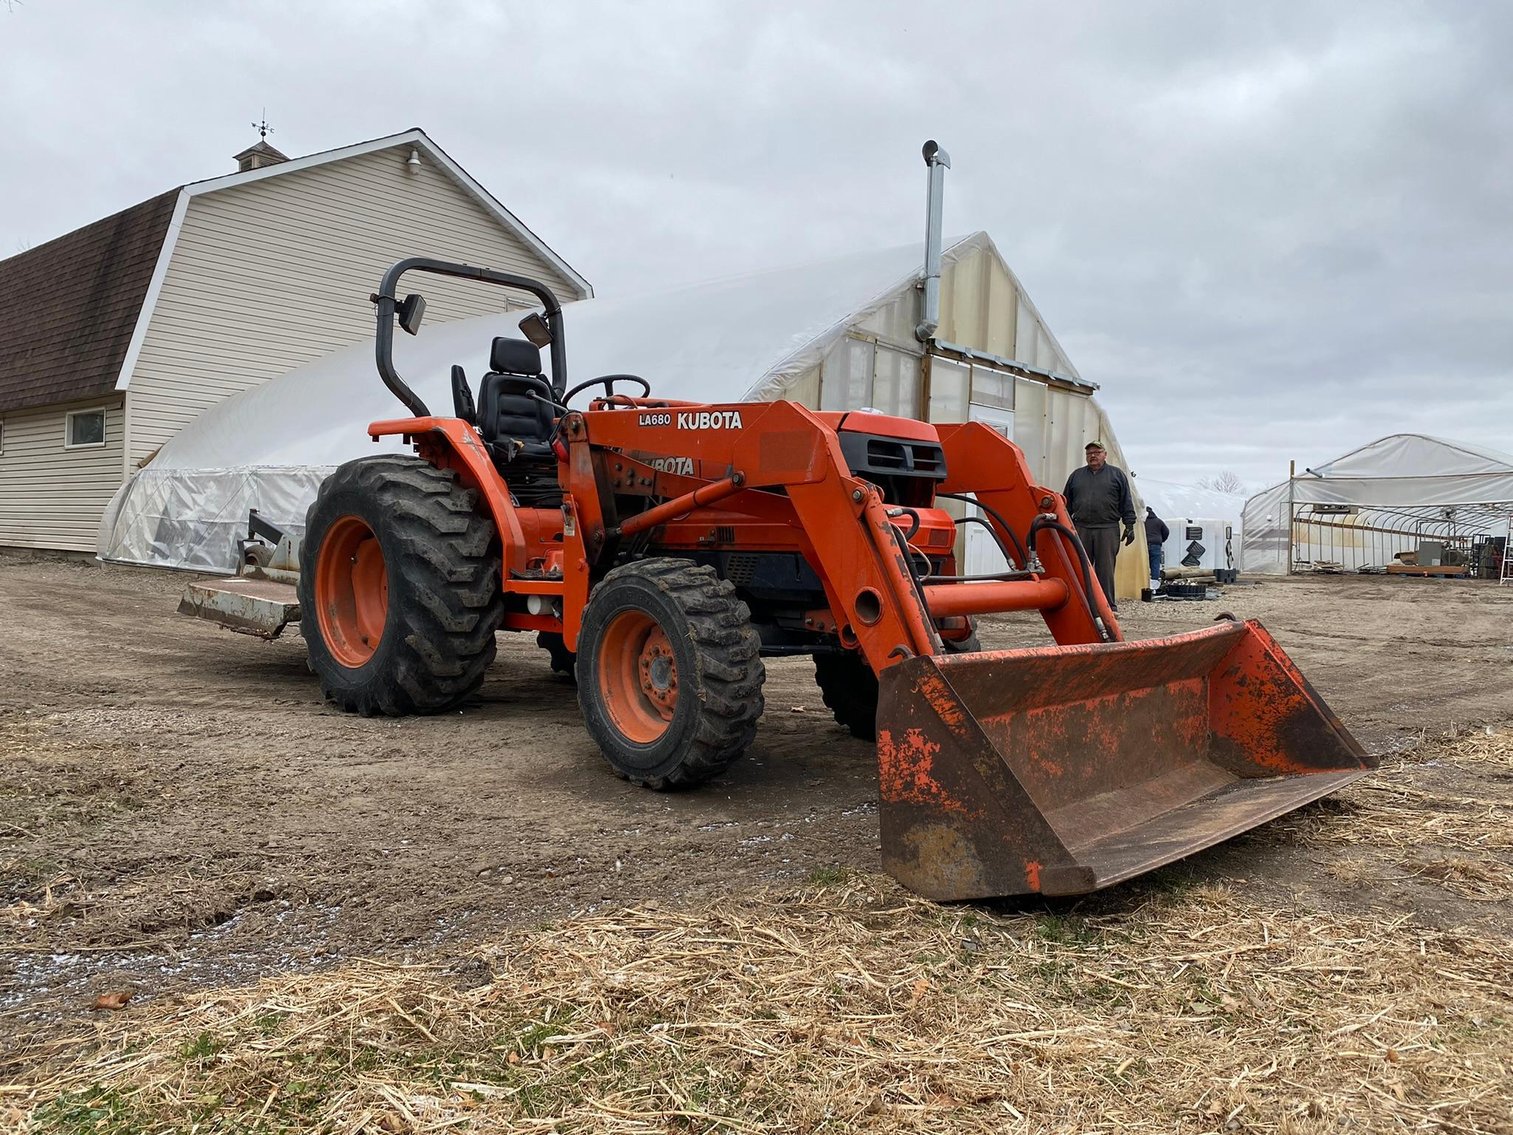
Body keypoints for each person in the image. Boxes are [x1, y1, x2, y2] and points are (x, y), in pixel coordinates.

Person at [1061, 441, 1136, 612]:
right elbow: (1066, 504)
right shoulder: (1076, 476)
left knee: (1105, 569)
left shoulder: (1117, 475)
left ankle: (1108, 606)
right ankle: (1082, 605)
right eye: (1089, 453)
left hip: (1107, 529)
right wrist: (1064, 526)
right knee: (1080, 568)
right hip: (1081, 528)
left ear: (1105, 454)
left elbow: (1126, 502)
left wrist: (1129, 524)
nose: (1092, 456)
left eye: (1097, 452)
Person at [1144, 506, 1170, 586]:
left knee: (1143, 564)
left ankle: (1144, 583)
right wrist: (1161, 540)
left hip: (1144, 545)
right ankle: (1154, 585)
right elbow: (1166, 531)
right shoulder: (1159, 521)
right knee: (1155, 565)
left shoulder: (1142, 522)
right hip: (1156, 545)